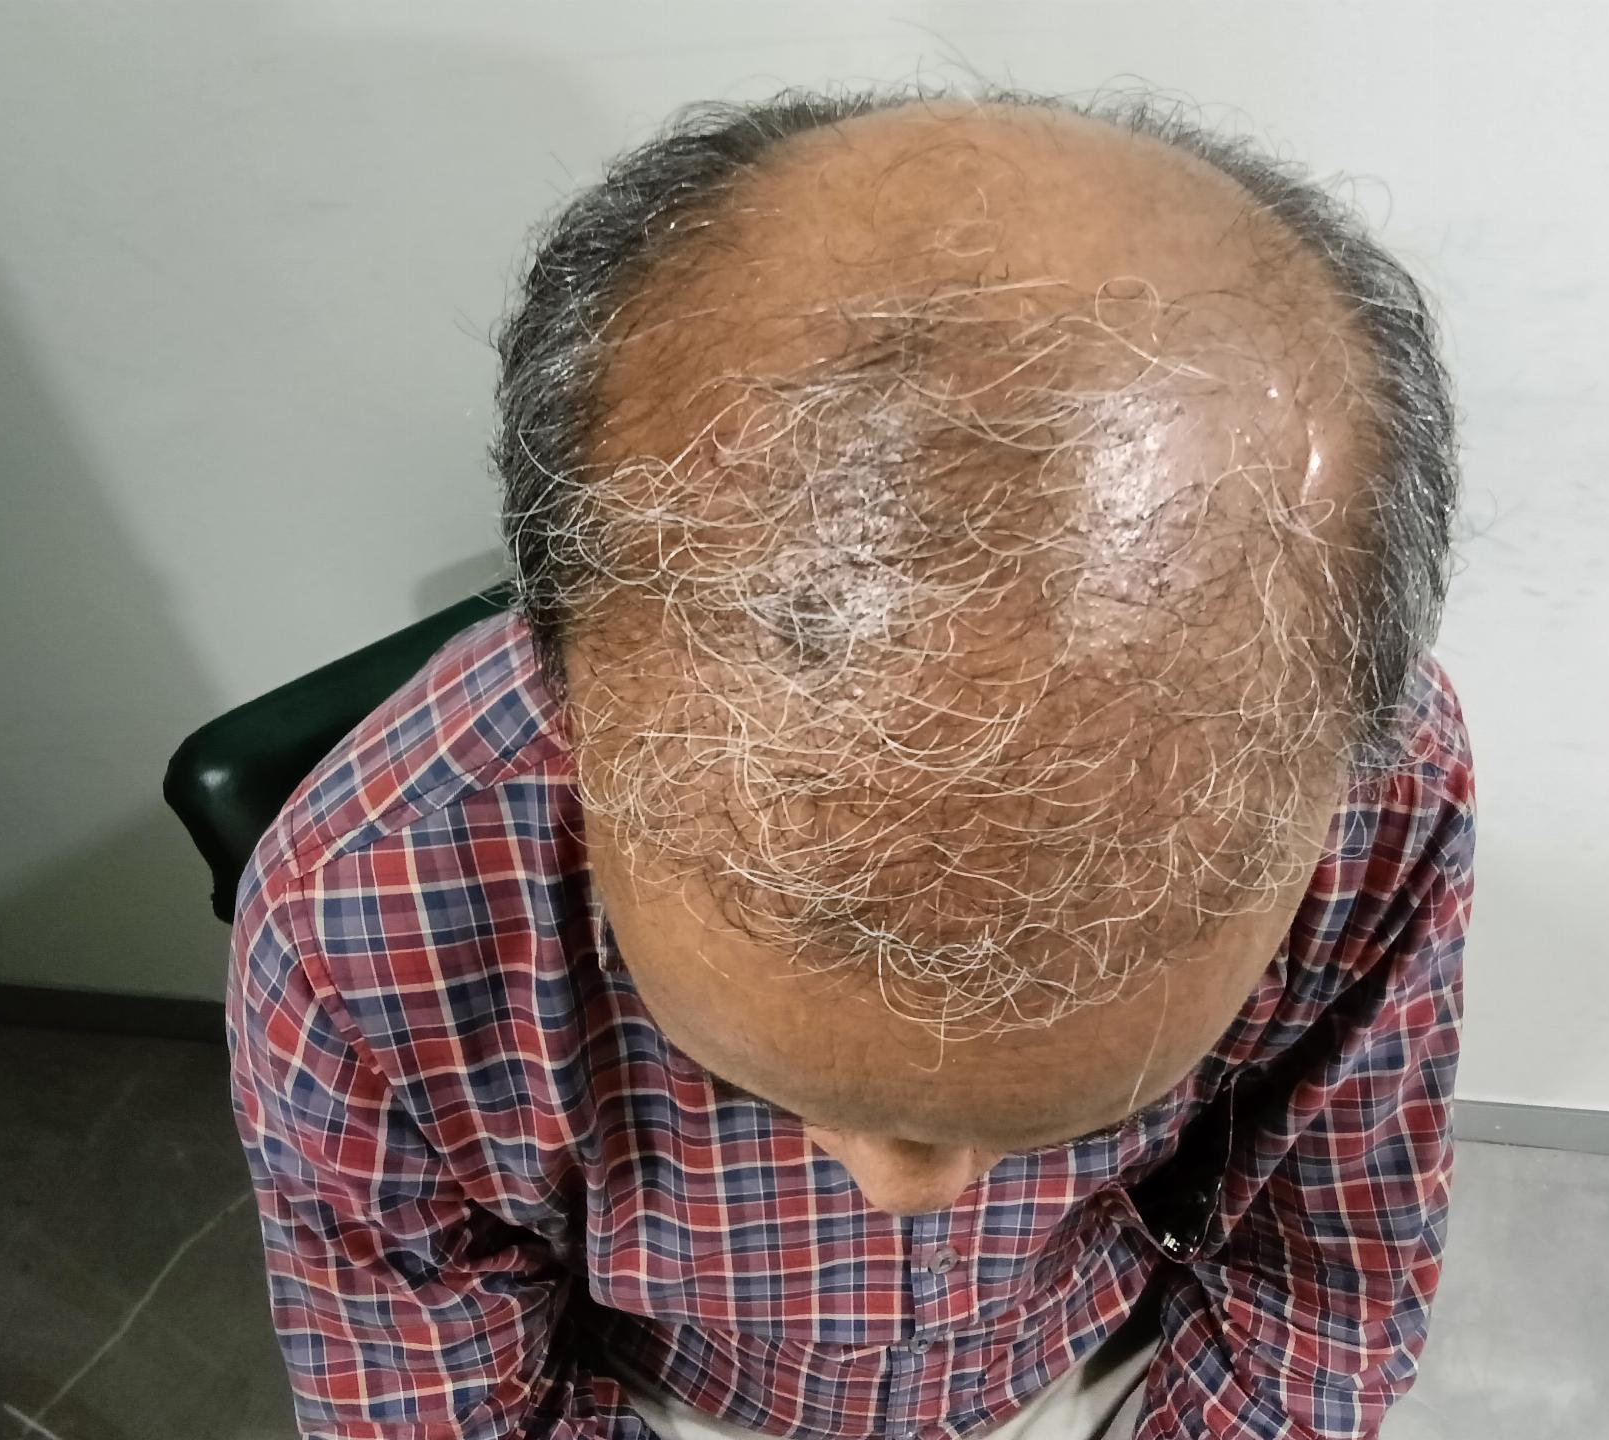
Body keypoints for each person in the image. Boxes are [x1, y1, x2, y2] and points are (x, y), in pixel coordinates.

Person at [227, 87, 1475, 1440]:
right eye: (772, 1086)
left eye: (1062, 1112)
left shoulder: (1375, 791)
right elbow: (440, 1410)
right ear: (572, 698)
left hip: (1098, 1358)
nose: (908, 1193)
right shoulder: (358, 920)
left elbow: (1319, 1284)